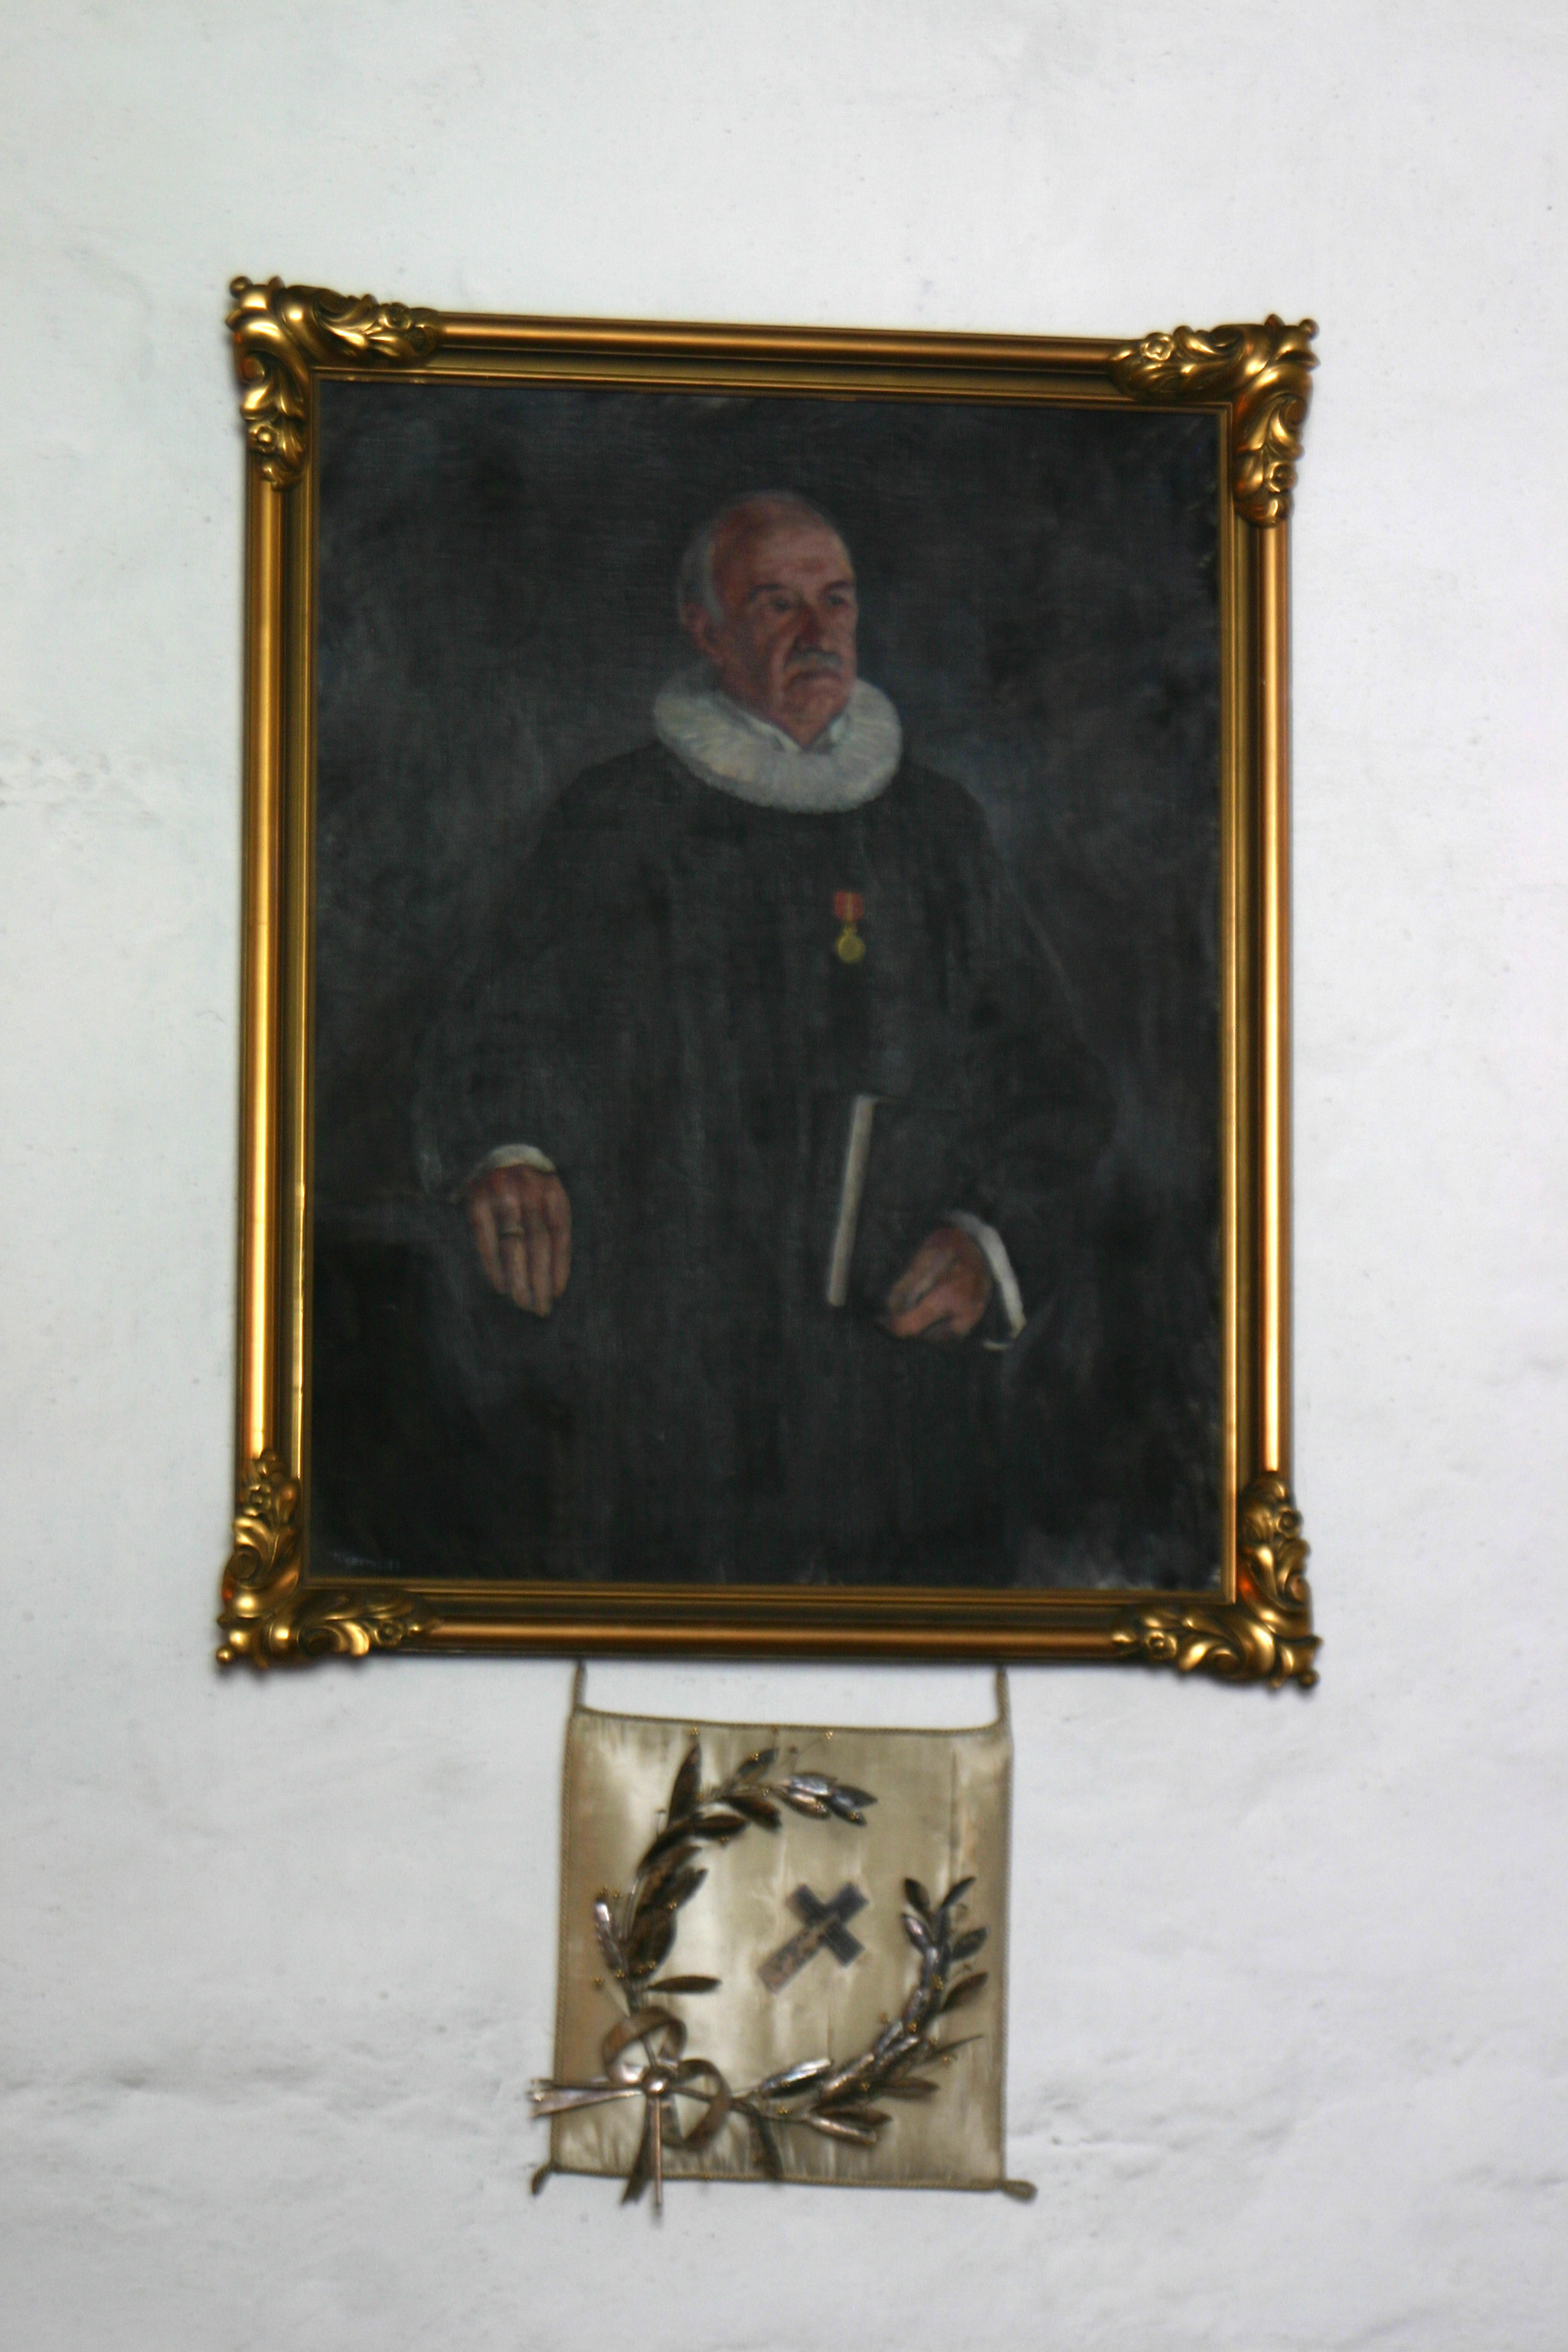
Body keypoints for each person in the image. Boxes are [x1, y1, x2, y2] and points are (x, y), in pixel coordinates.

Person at [418, 492, 1112, 1583]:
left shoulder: (937, 830)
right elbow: (495, 1039)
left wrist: (990, 1244)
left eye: (837, 601)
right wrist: (507, 1151)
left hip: (900, 1407)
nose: (817, 633)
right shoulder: (616, 821)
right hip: (670, 1392)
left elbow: (1054, 1087)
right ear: (704, 630)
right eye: (776, 605)